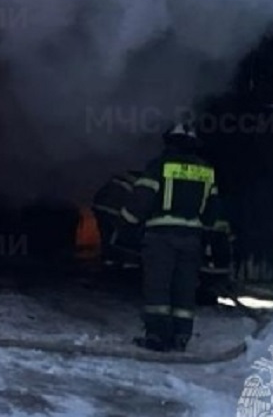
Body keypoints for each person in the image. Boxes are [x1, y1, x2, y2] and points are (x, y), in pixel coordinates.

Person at [127, 120, 222, 352]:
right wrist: (208, 237)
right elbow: (213, 212)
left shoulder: (159, 166)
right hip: (192, 240)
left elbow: (140, 201)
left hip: (161, 237)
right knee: (184, 287)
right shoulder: (206, 171)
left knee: (158, 287)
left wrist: (126, 224)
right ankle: (181, 336)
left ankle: (158, 337)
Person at [90, 170, 143, 268]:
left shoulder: (113, 184)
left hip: (101, 209)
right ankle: (125, 260)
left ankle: (109, 259)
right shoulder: (128, 188)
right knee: (119, 236)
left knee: (107, 236)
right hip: (113, 212)